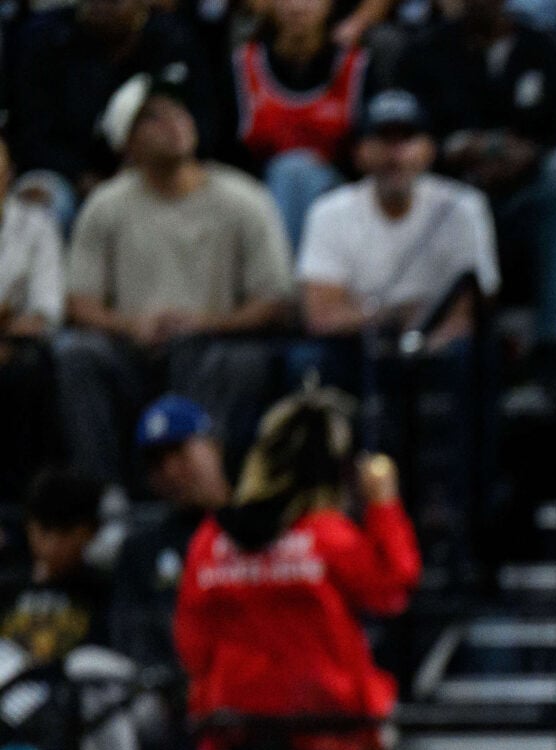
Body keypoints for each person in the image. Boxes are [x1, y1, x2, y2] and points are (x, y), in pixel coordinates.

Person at [175, 391, 418, 750]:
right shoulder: (326, 535)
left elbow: (192, 645)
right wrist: (384, 504)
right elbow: (392, 588)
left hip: (238, 734)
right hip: (325, 734)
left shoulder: (212, 538)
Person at [55, 77, 294, 486]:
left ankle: (209, 489)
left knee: (236, 360)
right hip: (133, 352)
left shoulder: (243, 198)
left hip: (213, 346)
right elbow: (78, 300)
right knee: (77, 354)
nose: (173, 122)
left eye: (177, 111)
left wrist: (203, 323)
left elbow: (274, 300)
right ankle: (104, 498)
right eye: (152, 118)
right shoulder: (106, 206)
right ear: (125, 145)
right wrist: (132, 326)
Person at [396, 0, 556, 362]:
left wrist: (529, 154)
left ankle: (554, 341)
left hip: (525, 198)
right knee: (405, 169)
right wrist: (454, 151)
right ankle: (430, 337)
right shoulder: (425, 53)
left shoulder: (546, 50)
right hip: (447, 198)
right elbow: (402, 129)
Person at [297, 91, 499, 343]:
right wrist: (395, 317)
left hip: (441, 345)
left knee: (469, 350)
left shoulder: (463, 206)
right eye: (383, 138)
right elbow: (322, 316)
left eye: (407, 138)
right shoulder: (328, 211)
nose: (395, 153)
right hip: (357, 346)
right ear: (359, 151)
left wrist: (423, 345)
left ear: (429, 150)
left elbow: (473, 307)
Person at [6, 0, 210, 203]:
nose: (100, 5)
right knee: (44, 196)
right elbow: (31, 133)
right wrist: (80, 176)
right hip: (68, 173)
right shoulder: (47, 37)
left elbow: (204, 121)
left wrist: (151, 164)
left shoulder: (174, 39)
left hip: (154, 167)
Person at [231, 0, 369, 251]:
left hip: (342, 201)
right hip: (258, 201)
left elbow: (367, 153)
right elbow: (226, 153)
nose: (297, 6)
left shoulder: (357, 65)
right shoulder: (242, 64)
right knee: (289, 173)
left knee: (295, 173)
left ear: (330, 5)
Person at [110, 394, 230, 671]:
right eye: (156, 462)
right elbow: (131, 639)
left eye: (179, 452)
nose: (171, 471)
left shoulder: (255, 531)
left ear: (214, 447)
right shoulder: (141, 549)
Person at [0, 138, 68, 495]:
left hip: (17, 350)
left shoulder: (36, 225)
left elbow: (46, 313)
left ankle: (21, 501)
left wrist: (9, 329)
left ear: (8, 174)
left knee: (29, 371)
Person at [1, 469, 108, 665]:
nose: (50, 544)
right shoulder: (8, 588)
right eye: (43, 531)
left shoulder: (104, 591)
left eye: (62, 533)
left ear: (88, 532)